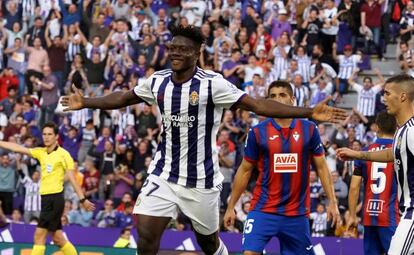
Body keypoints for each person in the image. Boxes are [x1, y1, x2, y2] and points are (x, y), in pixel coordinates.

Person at [61, 25, 346, 255]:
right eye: (172, 48)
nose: (175, 53)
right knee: (146, 236)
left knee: (208, 243)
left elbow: (258, 106)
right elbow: (124, 97)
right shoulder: (158, 81)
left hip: (202, 180)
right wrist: (86, 101)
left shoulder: (213, 84)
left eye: (182, 50)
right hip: (163, 173)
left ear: (197, 53)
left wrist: (309, 112)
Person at [223, 81, 340, 255]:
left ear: (293, 99)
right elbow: (245, 170)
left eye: (282, 95)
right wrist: (231, 206)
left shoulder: (309, 129)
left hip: (297, 213)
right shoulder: (257, 132)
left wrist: (333, 202)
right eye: (273, 96)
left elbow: (322, 167)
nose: (277, 99)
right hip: (263, 209)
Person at [337, 74, 414, 254]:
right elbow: (391, 153)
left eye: (387, 93)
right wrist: (357, 154)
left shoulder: (411, 131)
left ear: (402, 96)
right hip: (400, 214)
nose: (383, 98)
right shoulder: (403, 131)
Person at [0, 122, 94, 255]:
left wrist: (82, 199)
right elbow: (17, 148)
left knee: (39, 236)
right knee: (58, 239)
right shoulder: (41, 152)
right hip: (45, 200)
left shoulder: (64, 154)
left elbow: (73, 179)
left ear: (56, 136)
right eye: (44, 134)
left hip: (55, 199)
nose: (46, 137)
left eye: (50, 134)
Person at [346, 111, 399, 255]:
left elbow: (354, 187)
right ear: (397, 127)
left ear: (376, 127)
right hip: (391, 216)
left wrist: (352, 216)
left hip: (369, 215)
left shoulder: (363, 152)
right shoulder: (399, 151)